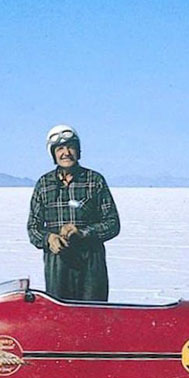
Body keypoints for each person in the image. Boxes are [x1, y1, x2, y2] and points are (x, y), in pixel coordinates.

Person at [27, 124, 120, 301]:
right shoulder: (44, 185)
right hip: (58, 263)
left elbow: (113, 223)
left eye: (71, 147)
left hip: (91, 263)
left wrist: (83, 233)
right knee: (60, 319)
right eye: (60, 148)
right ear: (53, 154)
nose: (66, 153)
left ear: (78, 150)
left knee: (93, 316)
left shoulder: (94, 180)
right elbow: (33, 228)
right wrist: (49, 239)